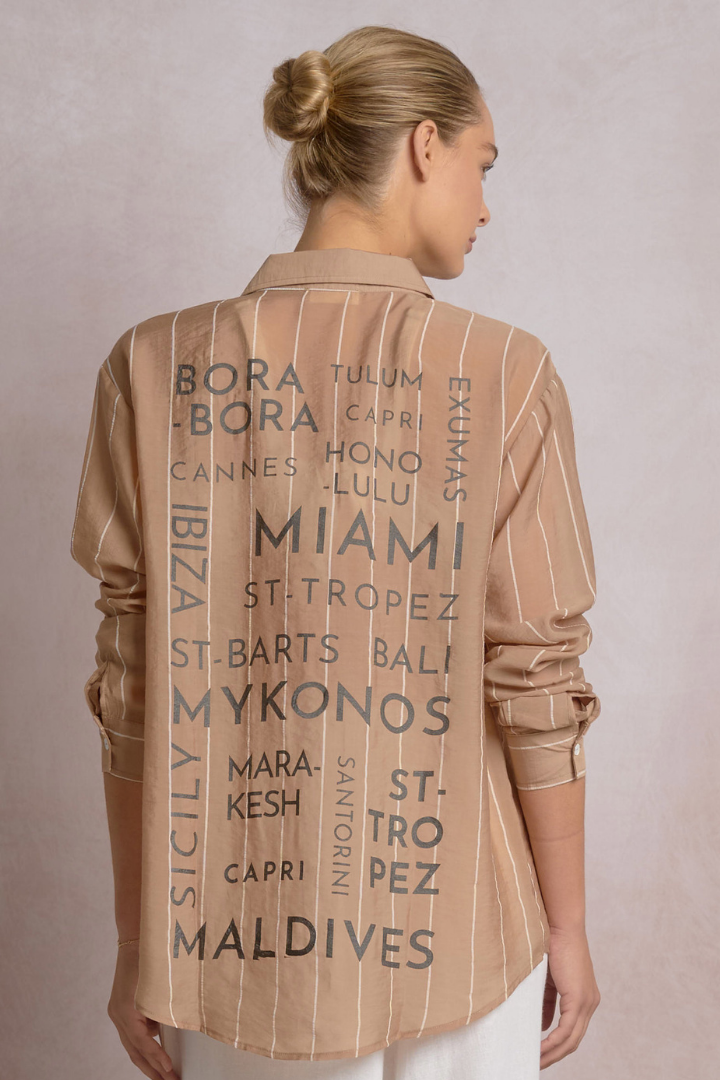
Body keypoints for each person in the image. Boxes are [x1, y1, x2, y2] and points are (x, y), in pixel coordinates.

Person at [70, 24, 602, 1080]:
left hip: (231, 944)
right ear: (423, 146)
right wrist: (570, 927)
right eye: (483, 164)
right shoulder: (504, 370)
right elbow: (536, 676)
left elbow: (134, 690)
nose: (485, 205)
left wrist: (138, 942)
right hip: (465, 933)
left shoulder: (152, 365)